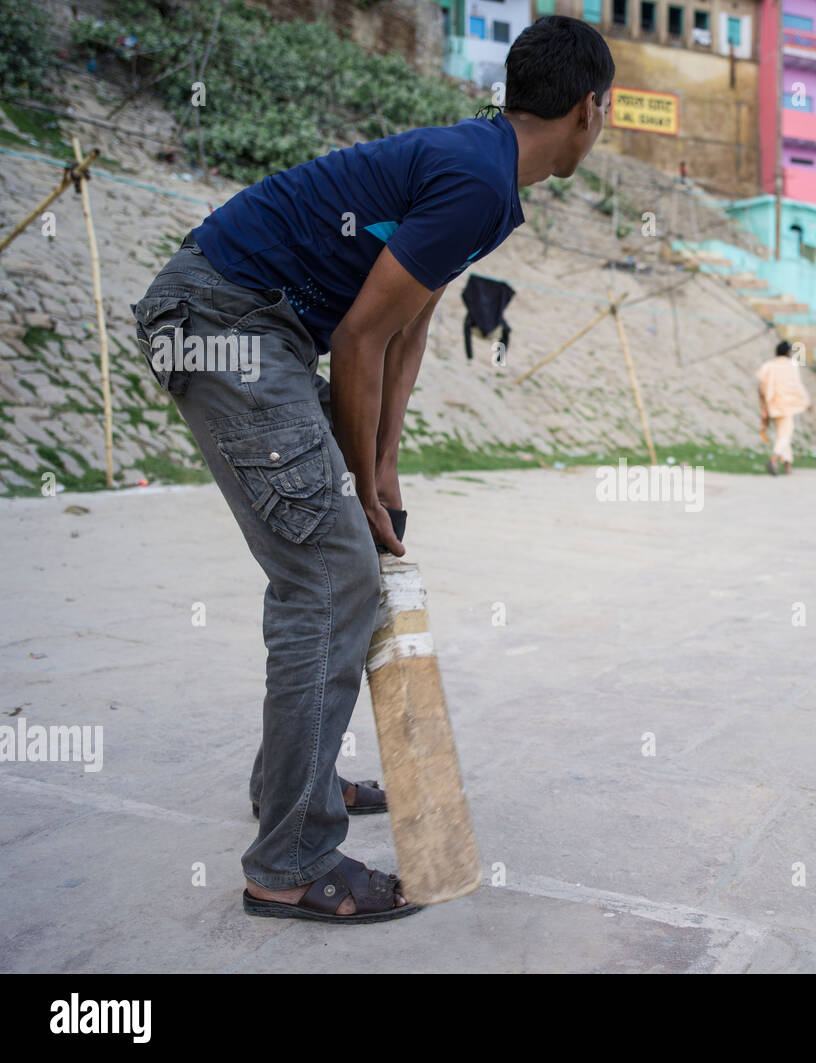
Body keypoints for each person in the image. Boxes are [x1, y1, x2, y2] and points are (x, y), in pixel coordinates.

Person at [129, 16, 614, 924]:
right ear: (590, 109)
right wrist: (358, 482)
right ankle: (290, 860)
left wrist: (383, 464)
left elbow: (406, 318)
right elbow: (356, 338)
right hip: (226, 321)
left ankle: (292, 782)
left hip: (252, 323)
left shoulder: (485, 172)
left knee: (330, 561)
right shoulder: (478, 176)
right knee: (331, 572)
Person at [757, 340, 813, 475]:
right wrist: (807, 402)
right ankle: (774, 459)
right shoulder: (792, 366)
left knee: (783, 434)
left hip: (772, 405)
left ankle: (787, 465)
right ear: (788, 352)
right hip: (787, 406)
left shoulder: (768, 366)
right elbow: (797, 386)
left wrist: (763, 407)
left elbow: (761, 388)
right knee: (785, 435)